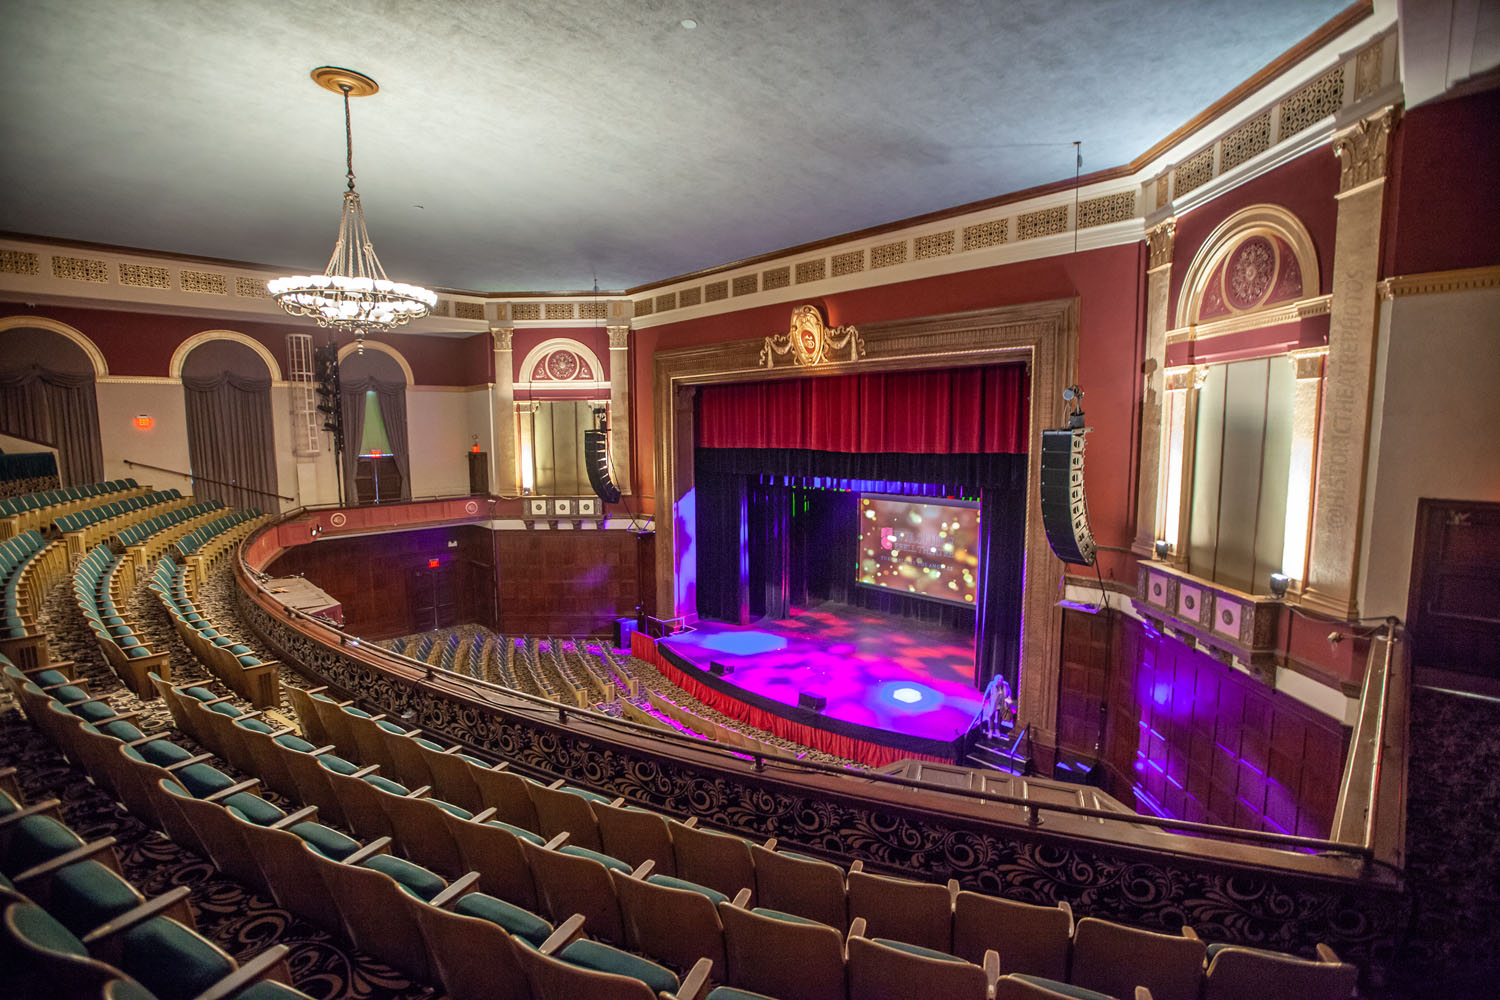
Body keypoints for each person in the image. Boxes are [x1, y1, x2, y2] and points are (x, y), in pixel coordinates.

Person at [980, 672, 1016, 738]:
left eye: (1000, 681)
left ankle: (998, 730)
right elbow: (986, 694)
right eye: (998, 681)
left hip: (1001, 704)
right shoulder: (991, 684)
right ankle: (991, 729)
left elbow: (1009, 694)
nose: (999, 683)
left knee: (1000, 717)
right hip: (993, 703)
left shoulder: (1006, 685)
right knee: (992, 717)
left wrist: (1009, 701)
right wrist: (983, 702)